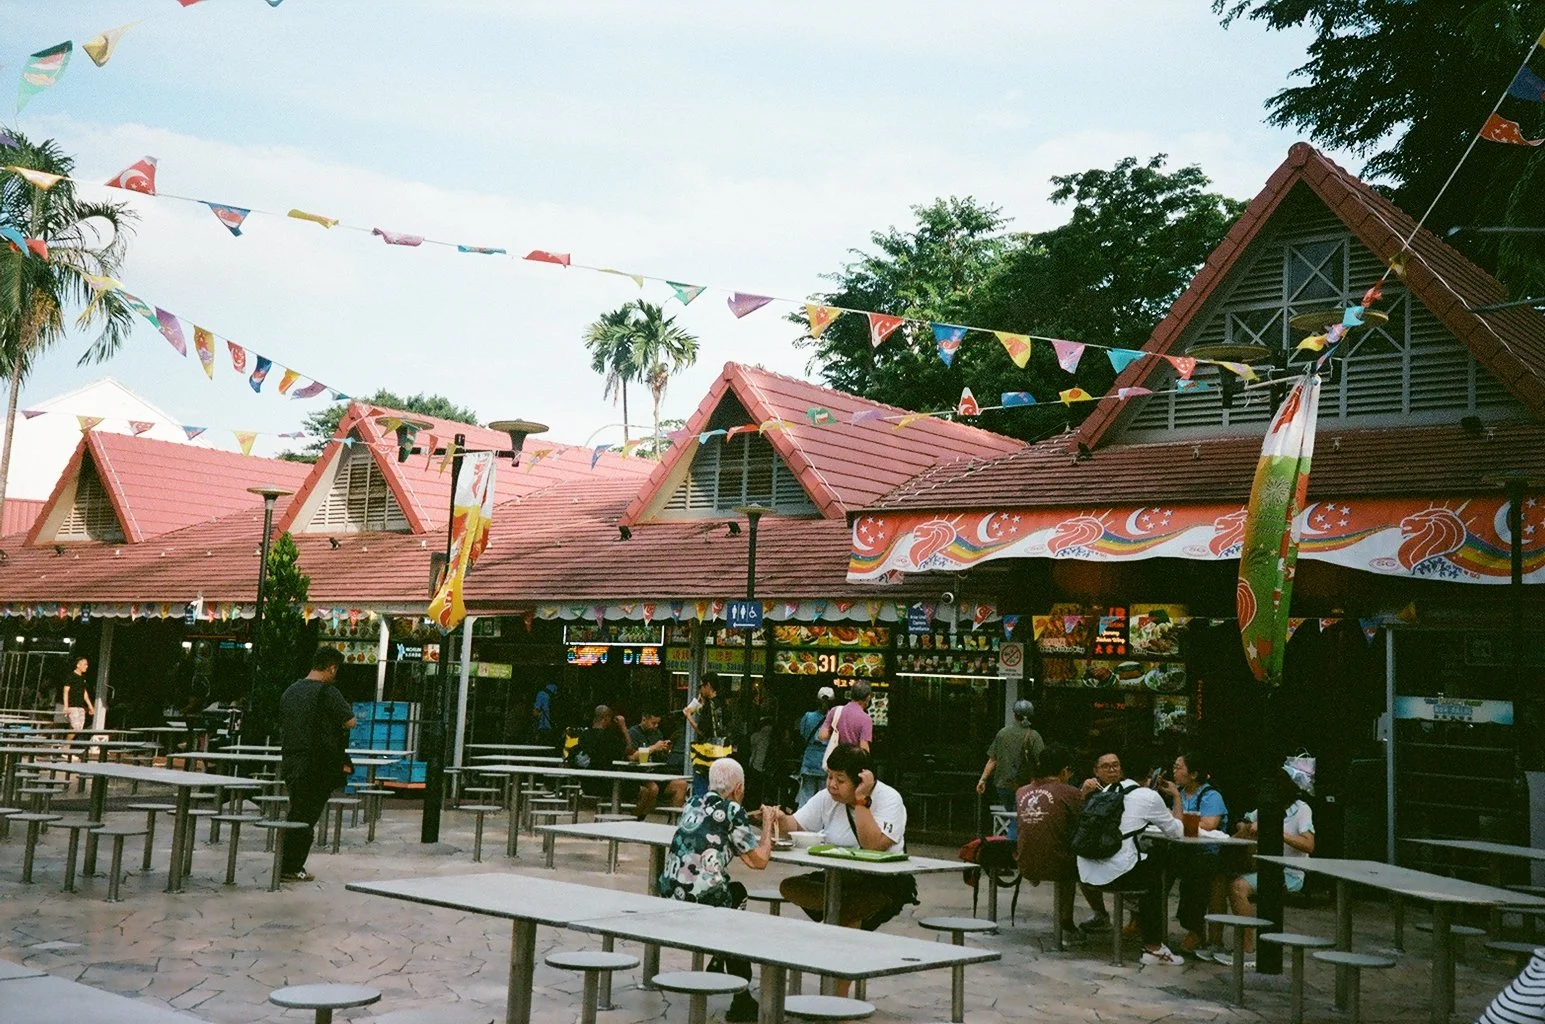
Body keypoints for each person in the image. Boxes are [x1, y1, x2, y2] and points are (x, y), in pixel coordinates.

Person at [772, 744, 914, 995]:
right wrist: (778, 818)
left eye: (840, 780)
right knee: (790, 886)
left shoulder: (889, 799)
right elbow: (797, 825)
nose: (832, 785)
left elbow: (873, 845)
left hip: (883, 882)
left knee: (847, 921)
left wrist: (861, 801)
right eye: (829, 777)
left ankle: (836, 997)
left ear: (861, 780)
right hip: (838, 878)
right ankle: (838, 907)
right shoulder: (826, 799)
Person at [658, 757, 775, 1023]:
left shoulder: (692, 802)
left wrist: (748, 818)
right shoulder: (733, 810)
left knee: (734, 897)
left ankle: (719, 958)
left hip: (670, 893)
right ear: (738, 789)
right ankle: (741, 997)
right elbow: (758, 861)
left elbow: (714, 825)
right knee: (736, 912)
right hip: (703, 899)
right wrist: (767, 824)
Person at [1075, 748, 1185, 966]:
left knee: (1146, 859)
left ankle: (1137, 921)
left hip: (1087, 870)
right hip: (1116, 874)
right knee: (1158, 870)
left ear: (1122, 771)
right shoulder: (1149, 796)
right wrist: (1176, 796)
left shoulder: (1107, 789)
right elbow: (1177, 832)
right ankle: (1153, 947)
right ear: (1151, 774)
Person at [1214, 766, 1316, 968]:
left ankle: (1247, 950)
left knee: (1238, 887)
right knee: (1219, 879)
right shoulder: (1268, 807)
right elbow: (1245, 820)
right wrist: (1245, 827)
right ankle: (1213, 940)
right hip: (1264, 868)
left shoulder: (1301, 809)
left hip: (1289, 872)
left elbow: (1309, 844)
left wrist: (1274, 829)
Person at [1015, 743, 1111, 948]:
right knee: (1084, 862)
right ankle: (1076, 921)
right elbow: (1085, 819)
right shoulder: (1070, 792)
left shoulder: (1021, 791)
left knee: (1064, 855)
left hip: (1025, 862)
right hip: (1057, 865)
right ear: (1065, 771)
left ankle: (1082, 919)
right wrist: (1083, 794)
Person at [279, 647, 356, 883]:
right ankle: (291, 866)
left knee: (297, 809)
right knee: (306, 816)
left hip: (291, 759)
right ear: (331, 668)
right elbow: (350, 721)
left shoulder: (290, 691)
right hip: (316, 763)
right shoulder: (327, 692)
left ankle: (286, 863)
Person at [1156, 750, 1229, 960]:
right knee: (1156, 866)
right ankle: (1147, 922)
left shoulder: (1210, 795)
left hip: (1208, 853)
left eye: (1179, 768)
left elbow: (1208, 824)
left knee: (1194, 876)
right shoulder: (1180, 792)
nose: (1174, 771)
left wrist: (1176, 799)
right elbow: (1174, 822)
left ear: (1194, 773)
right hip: (1183, 850)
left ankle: (1195, 930)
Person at [977, 699, 1042, 839]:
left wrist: (983, 780)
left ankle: (1014, 843)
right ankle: (1013, 845)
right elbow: (1041, 761)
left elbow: (992, 759)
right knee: (1018, 818)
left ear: (1014, 714)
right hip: (1024, 786)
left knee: (1015, 816)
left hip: (1003, 785)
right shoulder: (1034, 736)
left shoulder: (1002, 733)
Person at [628, 708, 690, 817]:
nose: (656, 726)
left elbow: (662, 758)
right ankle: (639, 818)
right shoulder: (633, 733)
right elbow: (632, 756)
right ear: (644, 719)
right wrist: (653, 748)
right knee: (653, 788)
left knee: (682, 785)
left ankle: (673, 819)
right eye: (653, 723)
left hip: (656, 773)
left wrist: (665, 750)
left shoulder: (657, 733)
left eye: (658, 723)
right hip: (639, 774)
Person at [683, 676, 729, 797]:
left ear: (708, 685)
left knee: (701, 784)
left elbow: (702, 730)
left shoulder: (709, 705)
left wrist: (688, 716)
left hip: (707, 752)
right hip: (722, 749)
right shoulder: (722, 703)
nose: (700, 690)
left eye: (701, 686)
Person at [796, 687, 835, 805]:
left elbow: (802, 734)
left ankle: (804, 816)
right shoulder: (834, 718)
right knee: (824, 797)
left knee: (806, 796)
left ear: (817, 701)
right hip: (826, 759)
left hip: (809, 759)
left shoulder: (808, 716)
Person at [818, 680, 874, 753]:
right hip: (854, 758)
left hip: (837, 757)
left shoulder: (835, 710)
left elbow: (822, 736)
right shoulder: (866, 719)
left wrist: (837, 732)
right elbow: (864, 747)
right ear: (868, 697)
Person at [532, 681, 557, 747]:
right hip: (552, 725)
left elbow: (536, 711)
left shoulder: (541, 694)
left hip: (543, 725)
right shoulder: (554, 693)